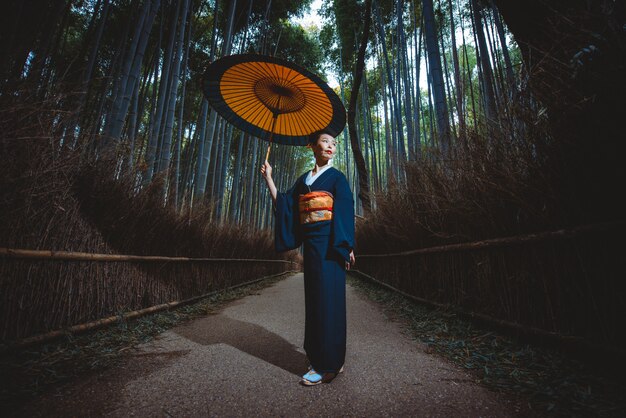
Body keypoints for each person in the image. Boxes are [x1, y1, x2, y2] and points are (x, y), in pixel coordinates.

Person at [260, 130, 356, 386]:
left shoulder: (337, 178)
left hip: (331, 245)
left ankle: (328, 366)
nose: (331, 147)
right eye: (325, 141)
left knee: (330, 301)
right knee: (315, 301)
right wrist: (269, 178)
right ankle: (324, 357)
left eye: (334, 143)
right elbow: (286, 207)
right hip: (312, 249)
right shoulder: (303, 180)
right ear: (311, 146)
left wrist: (346, 245)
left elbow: (345, 210)